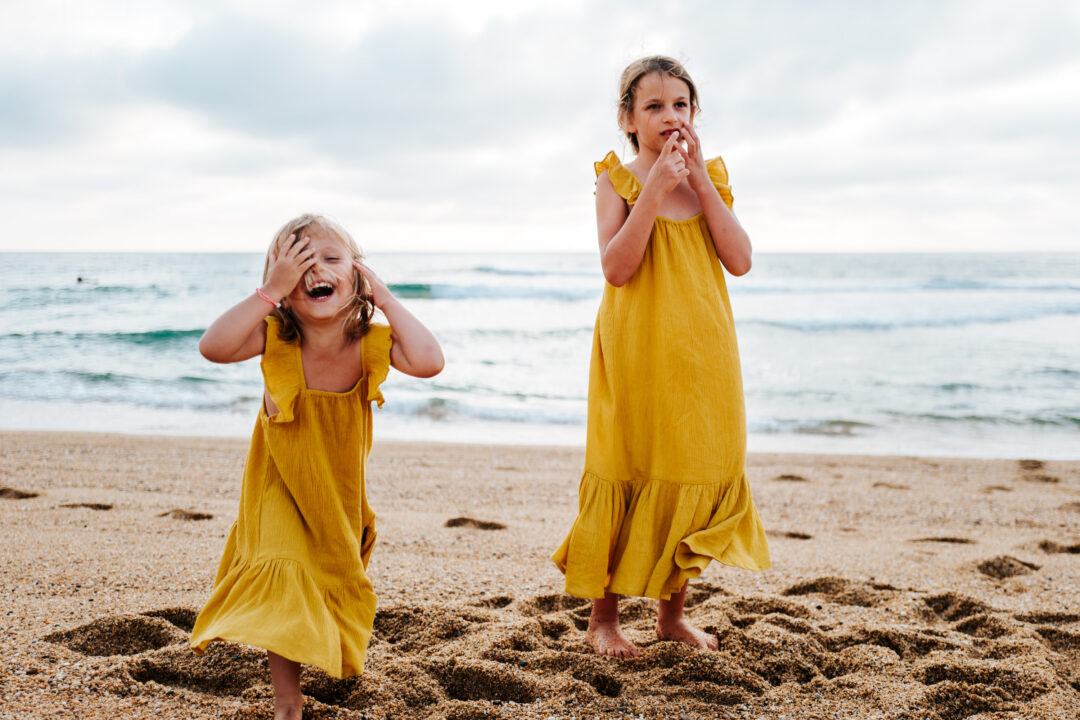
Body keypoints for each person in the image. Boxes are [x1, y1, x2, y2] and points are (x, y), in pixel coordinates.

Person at [552, 56, 771, 658]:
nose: (669, 116)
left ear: (695, 113)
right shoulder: (616, 181)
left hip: (704, 352)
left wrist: (699, 180)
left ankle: (672, 614)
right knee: (629, 463)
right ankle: (604, 617)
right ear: (628, 118)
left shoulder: (711, 182)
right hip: (637, 349)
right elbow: (617, 268)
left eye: (680, 105)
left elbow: (741, 259)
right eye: (654, 106)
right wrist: (654, 188)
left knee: (694, 467)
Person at [189, 214, 443, 719]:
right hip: (277, 486)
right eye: (297, 264)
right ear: (281, 283)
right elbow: (212, 347)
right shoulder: (273, 337)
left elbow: (430, 360)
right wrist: (268, 292)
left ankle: (317, 660)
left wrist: (386, 298)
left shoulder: (370, 342)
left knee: (324, 580)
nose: (314, 272)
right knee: (285, 575)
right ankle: (288, 702)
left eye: (330, 259)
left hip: (336, 493)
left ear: (358, 275)